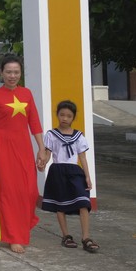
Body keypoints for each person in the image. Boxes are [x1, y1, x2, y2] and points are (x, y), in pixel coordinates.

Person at [0, 54, 46, 254]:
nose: (12, 76)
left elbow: (34, 123)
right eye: (8, 72)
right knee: (8, 192)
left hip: (23, 147)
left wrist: (41, 148)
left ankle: (21, 226)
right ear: (1, 73)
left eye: (16, 72)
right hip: (2, 148)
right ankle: (13, 236)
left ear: (20, 73)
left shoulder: (27, 94)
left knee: (30, 191)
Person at [41, 100, 99, 253]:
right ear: (57, 115)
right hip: (58, 171)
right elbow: (47, 155)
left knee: (83, 202)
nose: (64, 118)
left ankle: (86, 237)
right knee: (60, 204)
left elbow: (83, 158)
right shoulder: (51, 135)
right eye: (62, 115)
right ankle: (66, 235)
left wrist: (87, 176)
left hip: (75, 172)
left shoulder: (79, 136)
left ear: (73, 118)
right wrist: (42, 164)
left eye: (68, 116)